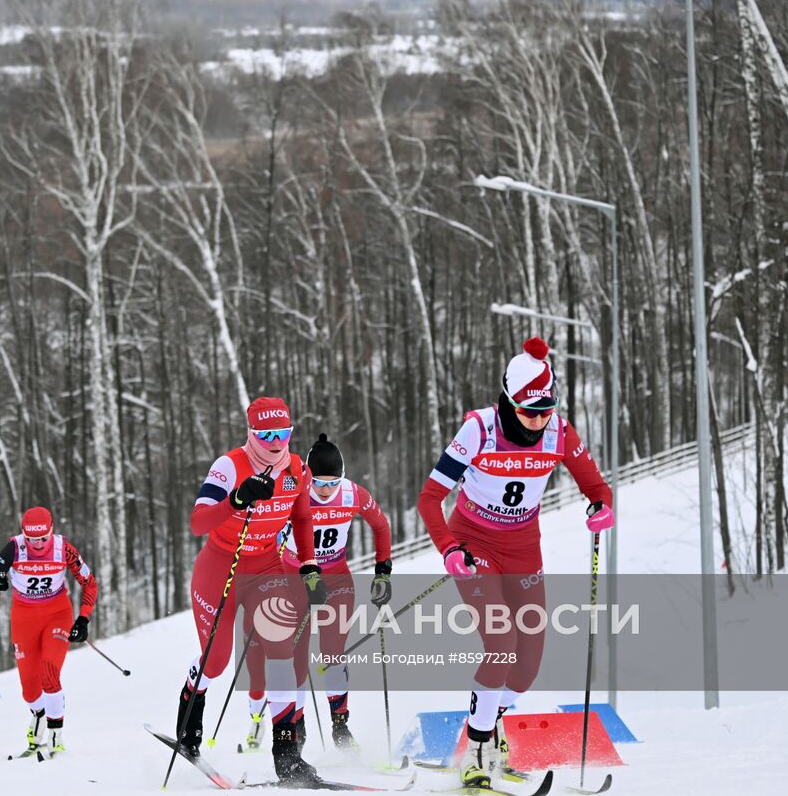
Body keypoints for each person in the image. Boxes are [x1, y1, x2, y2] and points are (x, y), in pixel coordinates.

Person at [416, 338, 614, 790]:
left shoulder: (559, 433)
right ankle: (478, 752)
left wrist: (601, 505)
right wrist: (449, 548)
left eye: (547, 410)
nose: (539, 421)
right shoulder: (479, 431)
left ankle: (485, 725)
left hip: (524, 545)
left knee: (526, 667)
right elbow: (429, 499)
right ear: (508, 402)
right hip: (474, 540)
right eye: (530, 412)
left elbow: (595, 485)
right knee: (501, 639)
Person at [179, 396, 327, 784]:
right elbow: (198, 523)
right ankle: (189, 716)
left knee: (282, 648)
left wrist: (310, 566)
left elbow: (302, 517)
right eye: (267, 435)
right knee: (217, 661)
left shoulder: (297, 468)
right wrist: (237, 499)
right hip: (220, 568)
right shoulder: (229, 466)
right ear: (252, 433)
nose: (277, 442)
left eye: (284, 433)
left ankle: (287, 754)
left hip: (266, 566)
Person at [243, 433, 393, 752]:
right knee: (295, 660)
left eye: (332, 483)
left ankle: (341, 726)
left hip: (337, 580)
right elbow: (263, 531)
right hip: (292, 580)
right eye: (319, 483)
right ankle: (296, 729)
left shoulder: (353, 494)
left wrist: (383, 570)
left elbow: (381, 525)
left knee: (332, 655)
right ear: (307, 475)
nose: (325, 490)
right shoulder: (293, 494)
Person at [0, 506, 98, 759]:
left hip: (57, 614)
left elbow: (89, 582)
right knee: (29, 690)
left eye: (43, 538)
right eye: (33, 540)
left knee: (49, 671)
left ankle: (56, 735)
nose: (39, 545)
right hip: (24, 618)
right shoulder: (14, 547)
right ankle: (39, 714)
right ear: (24, 535)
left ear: (51, 531)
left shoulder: (63, 548)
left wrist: (83, 618)